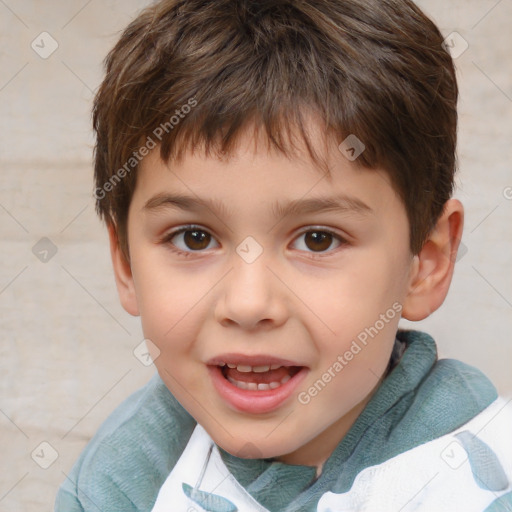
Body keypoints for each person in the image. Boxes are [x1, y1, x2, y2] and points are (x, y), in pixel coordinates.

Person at [54, 0, 512, 510]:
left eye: (318, 239)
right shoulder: (120, 480)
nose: (249, 304)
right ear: (126, 264)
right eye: (194, 238)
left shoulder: (477, 482)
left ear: (425, 262)